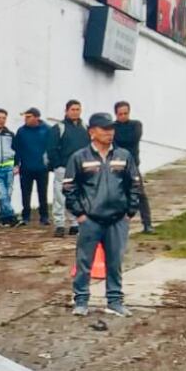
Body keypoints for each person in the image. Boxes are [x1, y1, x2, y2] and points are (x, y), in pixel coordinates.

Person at [63, 112, 141, 318]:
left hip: (117, 220)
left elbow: (134, 184)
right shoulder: (79, 157)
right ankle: (81, 301)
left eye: (111, 129)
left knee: (115, 262)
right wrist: (80, 214)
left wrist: (129, 212)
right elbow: (69, 187)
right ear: (92, 132)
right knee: (84, 262)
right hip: (90, 220)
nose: (109, 132)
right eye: (104, 129)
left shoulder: (123, 156)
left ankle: (115, 301)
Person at [47, 99, 90, 238]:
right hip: (64, 168)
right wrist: (57, 165)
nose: (75, 112)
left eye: (78, 109)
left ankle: (74, 224)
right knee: (60, 196)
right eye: (73, 109)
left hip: (81, 169)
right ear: (66, 111)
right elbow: (51, 148)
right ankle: (59, 224)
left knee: (78, 196)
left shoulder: (85, 127)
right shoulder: (59, 128)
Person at [113, 101, 153, 233]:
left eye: (125, 113)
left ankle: (147, 224)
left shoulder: (136, 125)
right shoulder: (112, 127)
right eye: (120, 114)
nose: (123, 116)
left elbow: (131, 138)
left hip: (132, 165)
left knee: (140, 194)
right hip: (116, 165)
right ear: (116, 114)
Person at [13, 107, 50, 226]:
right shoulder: (21, 131)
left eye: (28, 117)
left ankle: (44, 216)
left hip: (42, 167)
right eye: (25, 117)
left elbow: (51, 147)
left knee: (42, 192)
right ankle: (26, 216)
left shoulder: (47, 130)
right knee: (25, 193)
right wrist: (16, 164)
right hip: (26, 167)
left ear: (36, 117)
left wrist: (50, 163)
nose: (26, 119)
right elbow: (17, 149)